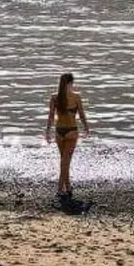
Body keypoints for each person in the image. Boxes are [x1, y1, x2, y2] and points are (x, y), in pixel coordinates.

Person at [44, 72, 89, 200]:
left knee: (64, 161)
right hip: (71, 131)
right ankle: (60, 188)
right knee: (65, 161)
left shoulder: (54, 97)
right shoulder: (76, 97)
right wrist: (86, 127)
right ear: (70, 83)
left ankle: (67, 187)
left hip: (59, 131)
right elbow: (81, 114)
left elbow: (51, 117)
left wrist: (48, 132)